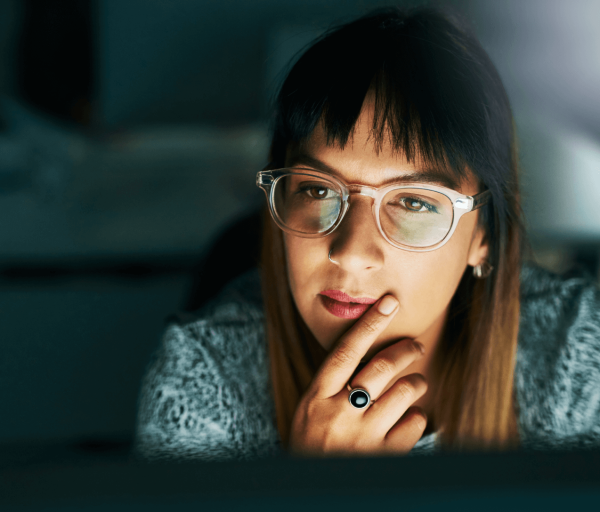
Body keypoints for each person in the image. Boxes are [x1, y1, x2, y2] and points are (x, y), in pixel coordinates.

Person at [134, 6, 600, 461]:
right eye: (317, 190)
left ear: (484, 236)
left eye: (414, 202)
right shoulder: (204, 379)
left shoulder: (576, 356)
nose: (351, 253)